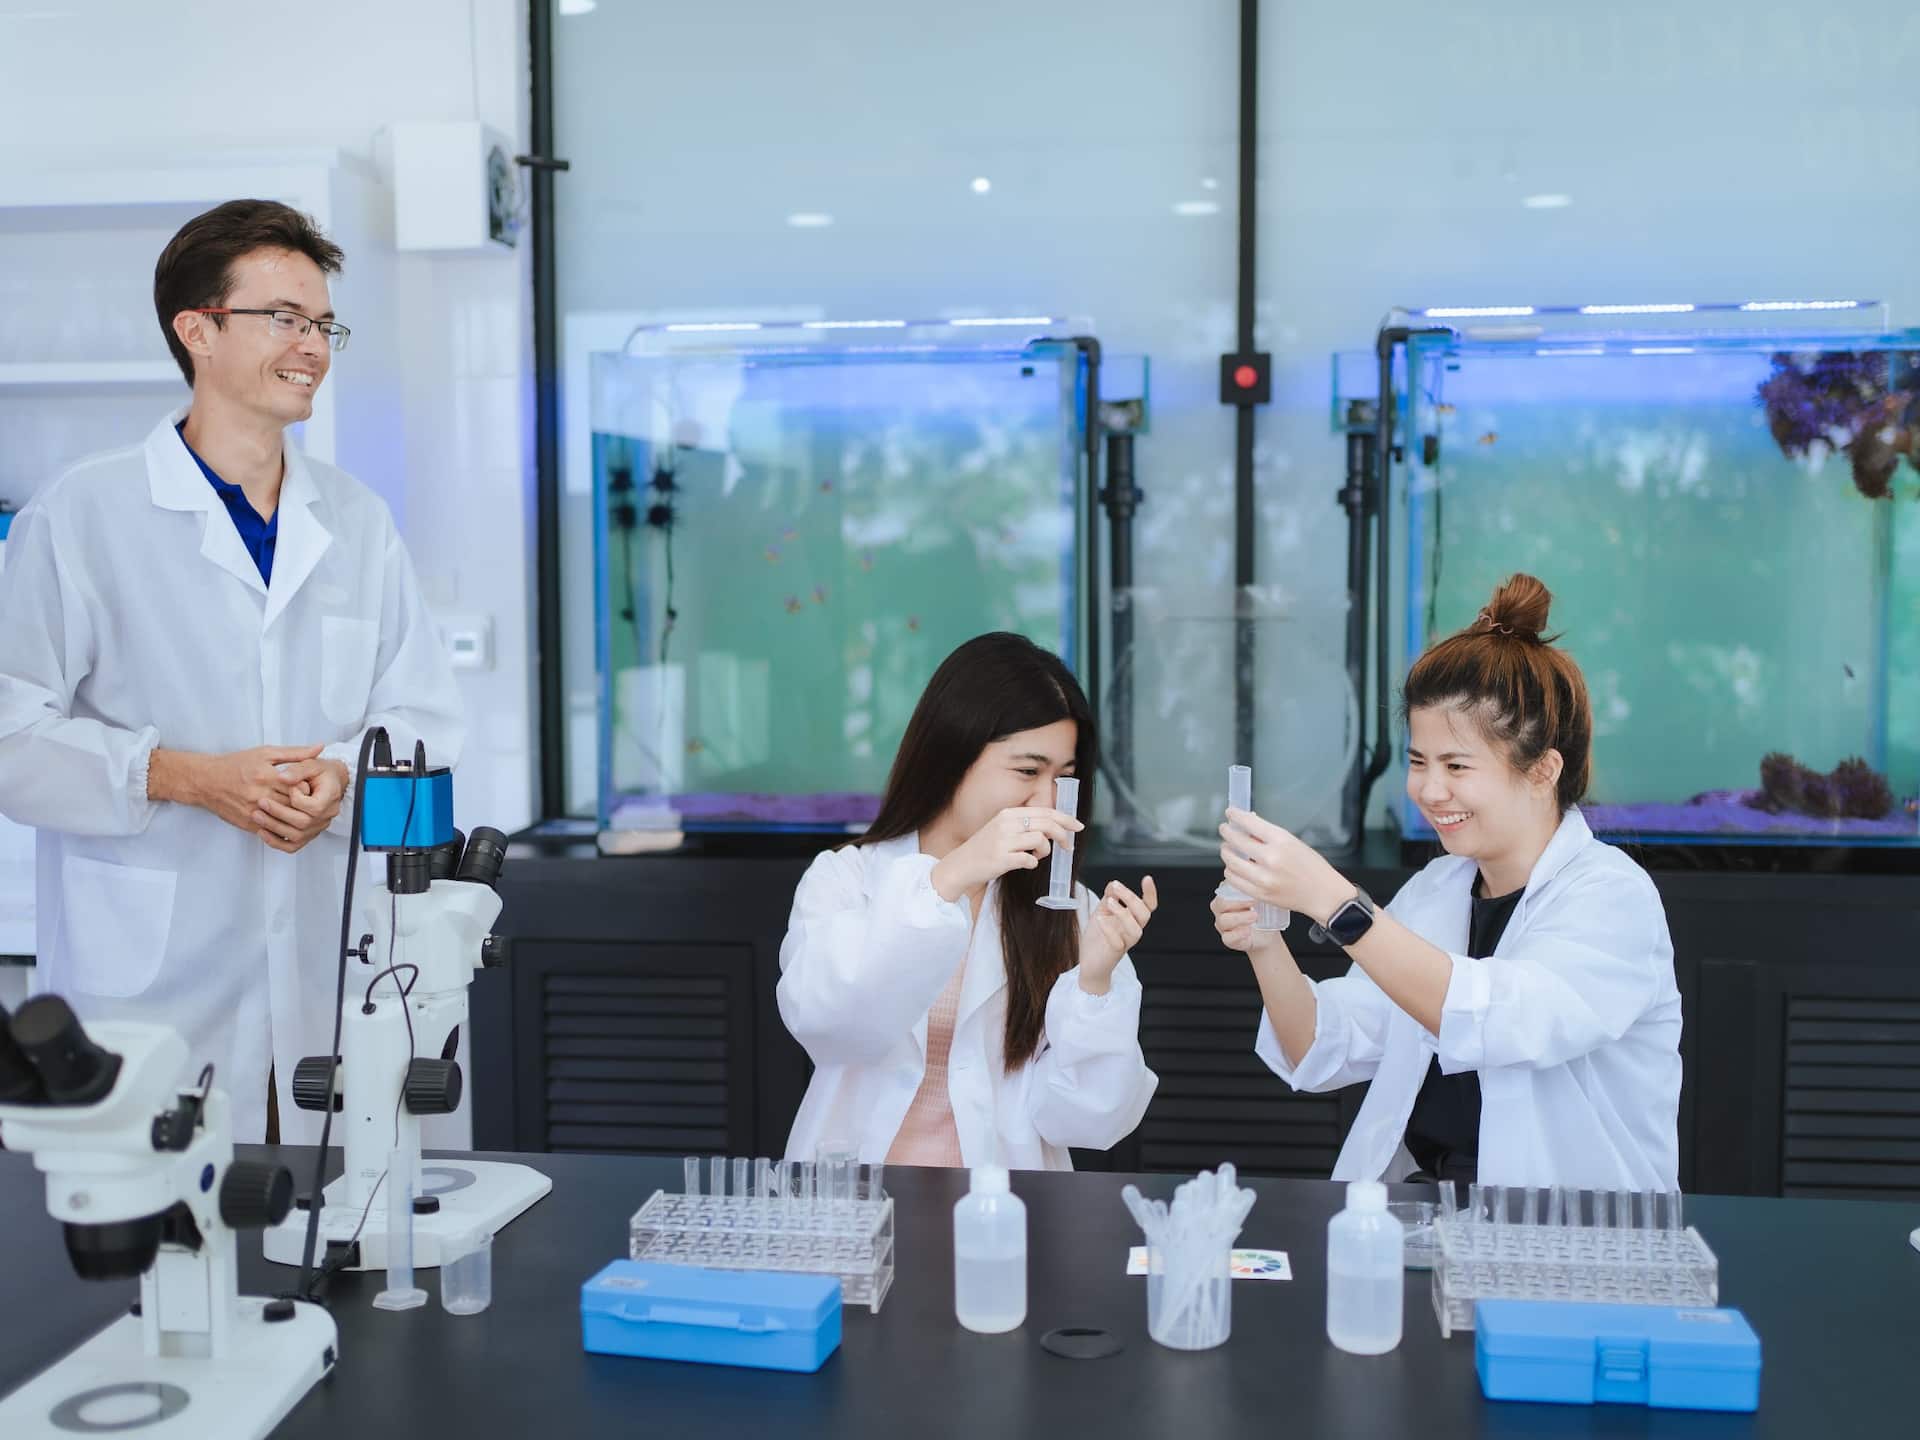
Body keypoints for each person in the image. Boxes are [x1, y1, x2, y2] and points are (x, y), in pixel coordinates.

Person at [0, 200, 462, 1141]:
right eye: (285, 318)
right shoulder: (83, 516)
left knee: (327, 1246)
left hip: (327, 979)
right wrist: (189, 778)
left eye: (324, 323)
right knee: (149, 1255)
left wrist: (342, 773)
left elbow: (422, 715)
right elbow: (10, 736)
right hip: (154, 991)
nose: (314, 347)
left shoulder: (357, 521)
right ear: (198, 330)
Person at [1213, 574, 1681, 1190]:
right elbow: (1318, 1049)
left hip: (1577, 1236)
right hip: (1431, 1218)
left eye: (1457, 766)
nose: (1430, 791)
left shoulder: (1612, 899)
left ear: (1542, 769)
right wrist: (1265, 943)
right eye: (1417, 762)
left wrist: (1335, 902)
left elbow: (1496, 1018)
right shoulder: (1439, 888)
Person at [778, 632, 1159, 1170]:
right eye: (1027, 771)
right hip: (858, 1204)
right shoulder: (845, 879)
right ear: (952, 753)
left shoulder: (1071, 910)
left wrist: (1094, 985)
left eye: (1064, 778)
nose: (1047, 801)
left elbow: (1088, 1122)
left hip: (1005, 1212)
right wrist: (950, 877)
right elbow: (832, 1029)